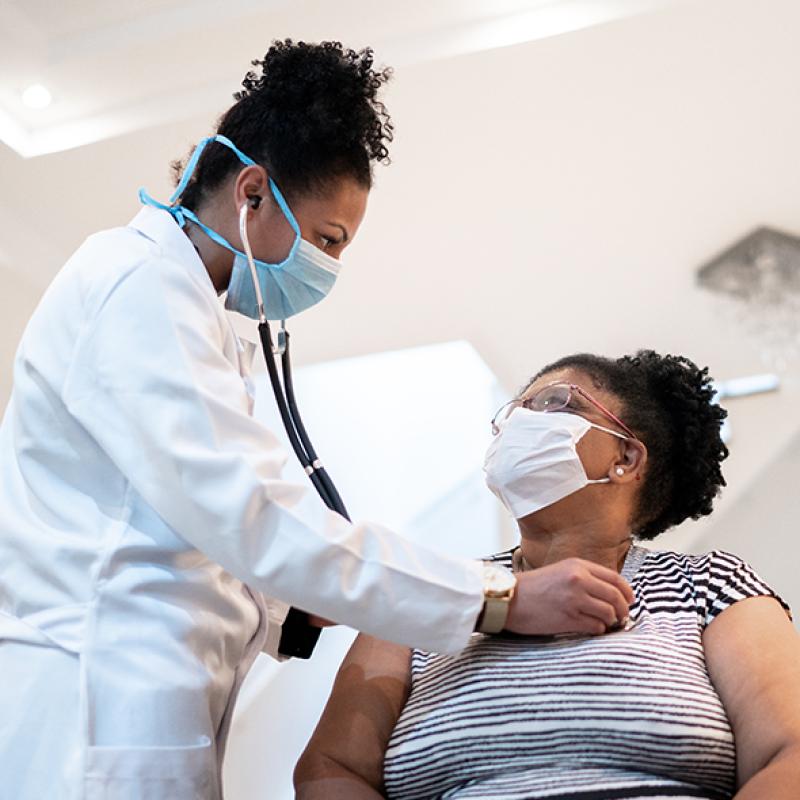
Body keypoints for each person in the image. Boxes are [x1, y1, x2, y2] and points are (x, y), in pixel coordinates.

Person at [0, 42, 636, 799]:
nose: (329, 266)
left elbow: (191, 531)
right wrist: (496, 599)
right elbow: (255, 515)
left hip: (142, 700)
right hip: (91, 704)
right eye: (328, 240)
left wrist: (294, 610)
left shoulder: (191, 313)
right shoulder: (136, 287)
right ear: (254, 191)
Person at [295, 350, 800, 800]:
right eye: (511, 412)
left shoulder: (708, 586)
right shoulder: (420, 587)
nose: (516, 424)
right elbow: (330, 767)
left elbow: (789, 754)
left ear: (626, 457)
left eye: (554, 403)